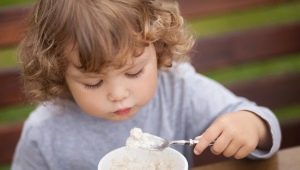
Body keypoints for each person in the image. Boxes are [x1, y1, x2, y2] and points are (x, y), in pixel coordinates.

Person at [12, 0, 281, 169]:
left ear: (159, 49)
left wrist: (250, 126)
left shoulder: (178, 90)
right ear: (58, 73)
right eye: (93, 83)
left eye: (134, 72)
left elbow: (265, 125)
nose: (118, 94)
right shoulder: (44, 133)